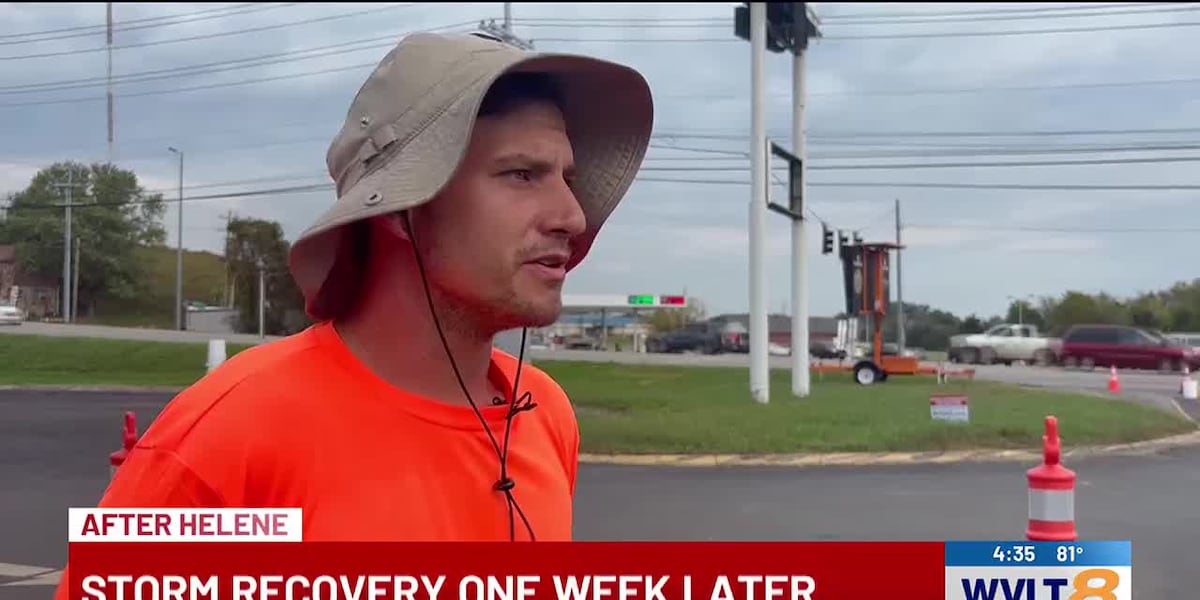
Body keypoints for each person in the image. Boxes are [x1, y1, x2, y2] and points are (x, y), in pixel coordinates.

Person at [53, 30, 652, 598]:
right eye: (522, 174)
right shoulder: (223, 438)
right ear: (399, 210)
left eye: (567, 178)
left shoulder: (545, 414)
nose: (572, 216)